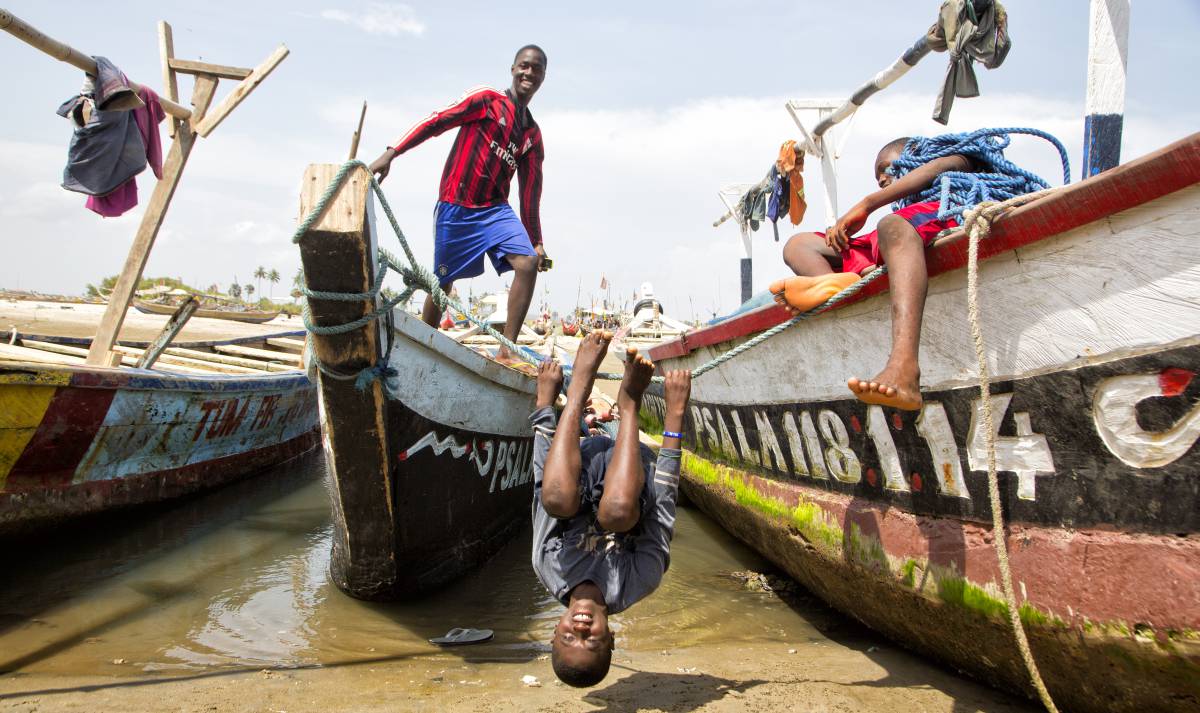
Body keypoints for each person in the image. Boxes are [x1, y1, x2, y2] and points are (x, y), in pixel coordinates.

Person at [368, 45, 551, 370]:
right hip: (457, 204)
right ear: (512, 68)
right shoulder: (486, 101)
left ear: (542, 78)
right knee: (442, 283)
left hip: (495, 210)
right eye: (524, 66)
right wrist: (392, 151)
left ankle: (506, 350)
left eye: (536, 70)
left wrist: (536, 238)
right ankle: (425, 342)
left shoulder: (532, 136)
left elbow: (530, 193)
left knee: (527, 262)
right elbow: (437, 121)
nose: (528, 74)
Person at [529, 331, 692, 687]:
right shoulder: (640, 580)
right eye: (593, 640)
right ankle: (629, 401)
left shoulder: (548, 566)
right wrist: (674, 415)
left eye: (569, 637)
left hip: (581, 467)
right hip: (630, 477)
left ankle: (578, 391)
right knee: (616, 514)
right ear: (611, 637)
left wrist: (544, 405)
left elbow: (544, 485)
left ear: (555, 630)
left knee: (556, 501)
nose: (581, 629)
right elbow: (663, 502)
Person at [770, 137, 976, 411]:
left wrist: (868, 204)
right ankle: (837, 285)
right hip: (891, 237)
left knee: (891, 224)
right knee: (798, 245)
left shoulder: (956, 167)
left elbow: (945, 165)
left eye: (886, 168)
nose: (881, 177)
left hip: (919, 224)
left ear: (917, 157)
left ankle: (904, 369)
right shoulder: (895, 220)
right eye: (877, 177)